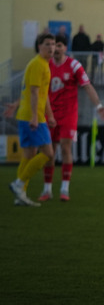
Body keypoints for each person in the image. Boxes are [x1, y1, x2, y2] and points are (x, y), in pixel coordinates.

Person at [39, 35, 104, 202]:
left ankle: (64, 188)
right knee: (49, 152)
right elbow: (37, 89)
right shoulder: (45, 65)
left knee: (65, 148)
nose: (56, 49)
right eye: (54, 46)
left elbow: (87, 86)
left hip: (68, 114)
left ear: (65, 48)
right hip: (49, 114)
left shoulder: (74, 65)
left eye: (60, 46)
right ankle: (47, 189)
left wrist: (99, 107)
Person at [8, 33, 57, 207]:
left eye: (53, 44)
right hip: (32, 117)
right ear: (39, 46)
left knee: (28, 155)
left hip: (26, 115)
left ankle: (19, 195)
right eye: (47, 44)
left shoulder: (42, 64)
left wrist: (49, 115)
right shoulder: (38, 65)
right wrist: (36, 117)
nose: (51, 47)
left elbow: (42, 94)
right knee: (48, 154)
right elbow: (35, 92)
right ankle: (19, 184)